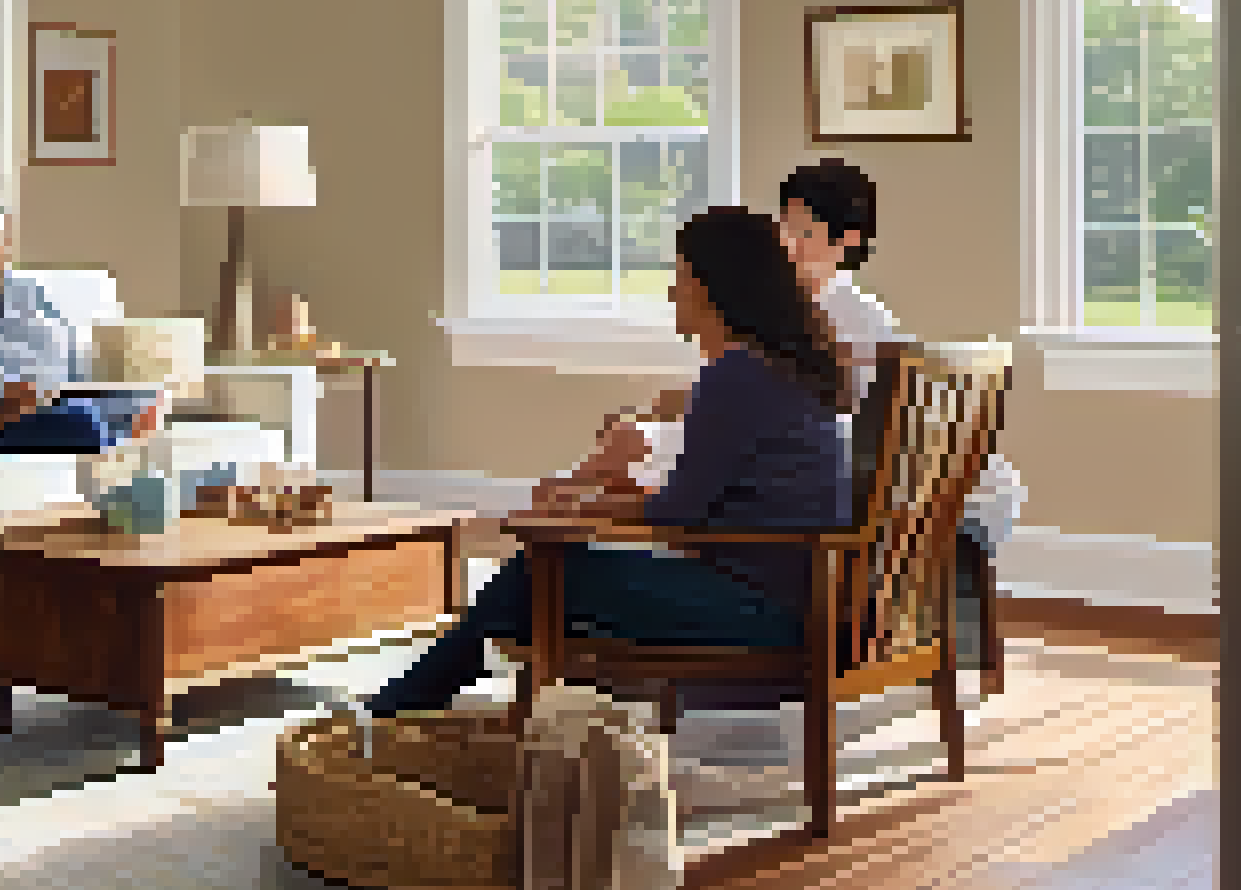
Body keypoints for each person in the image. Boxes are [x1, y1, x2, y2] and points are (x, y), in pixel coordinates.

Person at [368, 206, 853, 716]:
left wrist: (581, 510)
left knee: (540, 572)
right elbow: (695, 504)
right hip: (790, 596)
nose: (671, 292)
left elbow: (674, 517)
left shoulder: (736, 379)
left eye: (681, 277)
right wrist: (592, 499)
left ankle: (394, 715)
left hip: (760, 612)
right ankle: (432, 712)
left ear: (715, 289)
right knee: (532, 585)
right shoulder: (772, 369)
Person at [558, 159, 1023, 670]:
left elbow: (808, 412)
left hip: (811, 509)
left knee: (582, 541)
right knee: (640, 442)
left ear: (846, 241)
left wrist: (601, 501)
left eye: (808, 232)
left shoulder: (846, 320)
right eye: (786, 229)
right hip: (809, 488)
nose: (791, 244)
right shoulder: (782, 323)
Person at [0, 198, 159, 460]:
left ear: (6, 246)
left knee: (143, 400)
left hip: (72, 414)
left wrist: (132, 402)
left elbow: (81, 373)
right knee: (85, 423)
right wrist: (1, 414)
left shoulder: (34, 295)